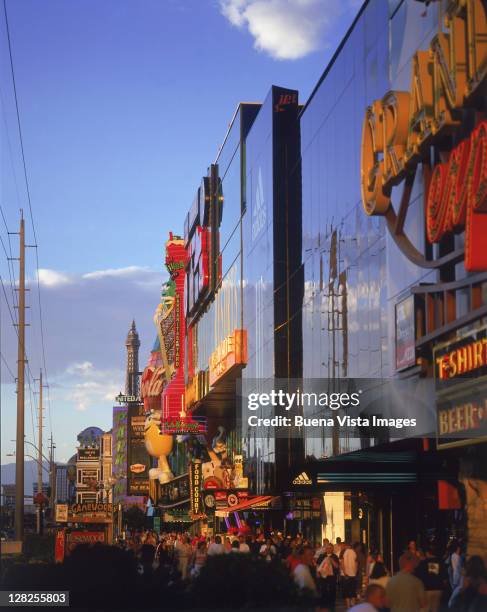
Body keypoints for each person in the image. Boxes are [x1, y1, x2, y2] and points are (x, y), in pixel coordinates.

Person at [415, 546, 448, 612]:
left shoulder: (423, 563)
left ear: (427, 553)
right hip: (438, 589)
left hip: (427, 590)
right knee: (435, 609)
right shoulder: (441, 562)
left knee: (424, 609)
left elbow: (419, 576)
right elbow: (445, 578)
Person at [316, 543, 339, 611]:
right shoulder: (322, 556)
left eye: (330, 548)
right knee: (323, 590)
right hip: (323, 576)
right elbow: (318, 565)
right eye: (327, 548)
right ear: (325, 549)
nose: (329, 549)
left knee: (332, 589)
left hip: (332, 576)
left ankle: (331, 605)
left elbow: (337, 566)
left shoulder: (335, 556)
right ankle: (324, 605)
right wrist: (317, 573)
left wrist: (331, 560)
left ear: (332, 549)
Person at [341, 542, 358, 608]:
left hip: (346, 574)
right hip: (353, 574)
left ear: (346, 546)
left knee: (346, 591)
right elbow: (356, 563)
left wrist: (344, 572)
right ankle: (353, 605)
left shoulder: (343, 552)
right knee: (353, 590)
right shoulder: (354, 552)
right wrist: (355, 572)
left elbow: (342, 563)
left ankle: (348, 606)